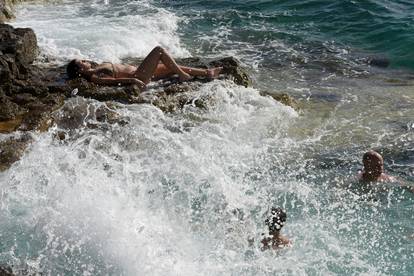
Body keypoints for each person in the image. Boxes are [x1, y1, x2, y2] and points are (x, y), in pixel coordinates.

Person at [66, 46, 223, 90]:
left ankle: (207, 73)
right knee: (159, 50)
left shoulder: (96, 67)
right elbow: (113, 82)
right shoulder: (95, 76)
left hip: (140, 71)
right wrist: (134, 80)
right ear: (80, 70)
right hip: (139, 75)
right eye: (82, 62)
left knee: (170, 66)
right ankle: (183, 76)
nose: (85, 61)